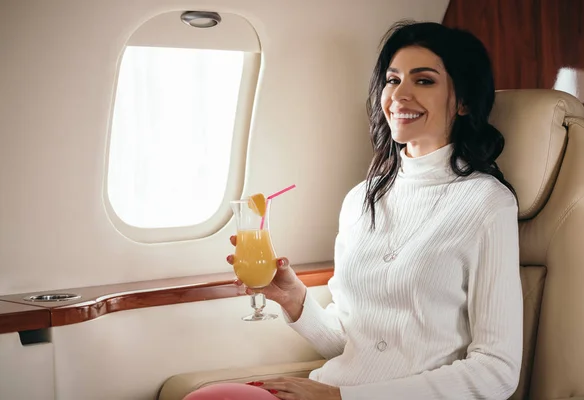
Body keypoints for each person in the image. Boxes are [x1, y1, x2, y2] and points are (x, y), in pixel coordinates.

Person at [185, 19, 523, 400]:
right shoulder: (362, 199)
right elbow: (354, 345)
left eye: (423, 81)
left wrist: (341, 398)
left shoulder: (487, 204)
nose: (399, 95)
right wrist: (295, 300)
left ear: (462, 101)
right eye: (393, 80)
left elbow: (498, 370)